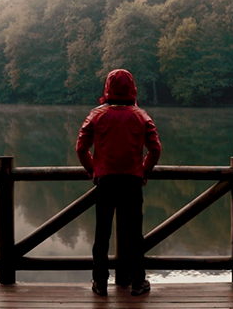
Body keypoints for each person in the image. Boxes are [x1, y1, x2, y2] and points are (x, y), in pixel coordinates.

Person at [76, 69, 162, 297]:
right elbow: (155, 150)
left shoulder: (96, 115)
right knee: (134, 235)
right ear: (132, 88)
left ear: (107, 87)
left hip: (105, 181)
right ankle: (137, 283)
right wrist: (144, 170)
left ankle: (100, 283)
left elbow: (81, 149)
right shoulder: (141, 116)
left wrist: (92, 168)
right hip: (132, 182)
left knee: (102, 234)